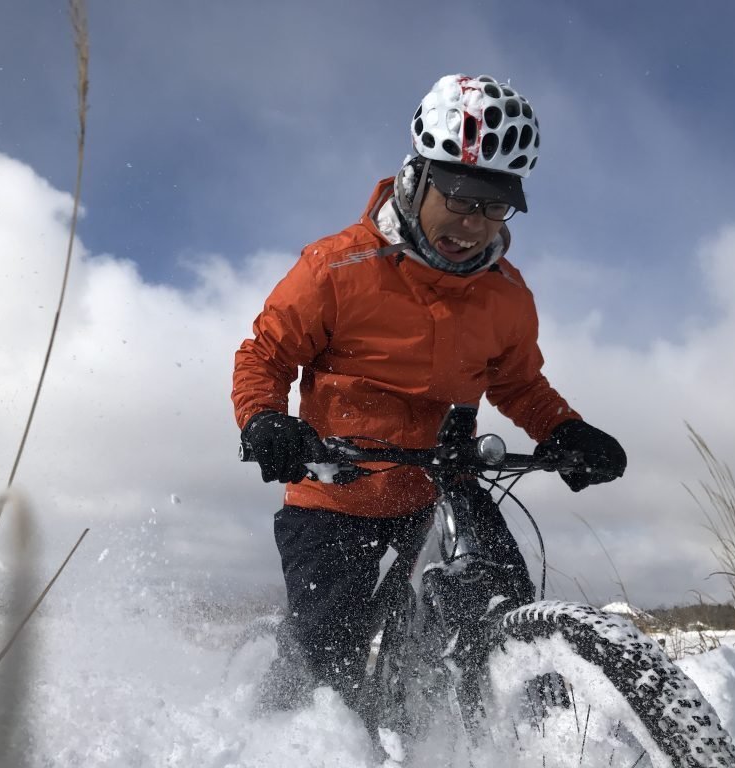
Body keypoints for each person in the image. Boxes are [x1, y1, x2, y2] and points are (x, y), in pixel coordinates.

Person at [232, 74, 626, 717]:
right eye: (462, 198)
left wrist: (562, 431)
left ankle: (525, 724)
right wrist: (266, 421)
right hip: (337, 489)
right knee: (328, 667)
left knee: (503, 602)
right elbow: (264, 355)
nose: (474, 224)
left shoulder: (506, 294)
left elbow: (519, 381)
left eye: (496, 205)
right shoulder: (336, 268)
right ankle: (281, 729)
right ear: (417, 178)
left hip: (445, 478)